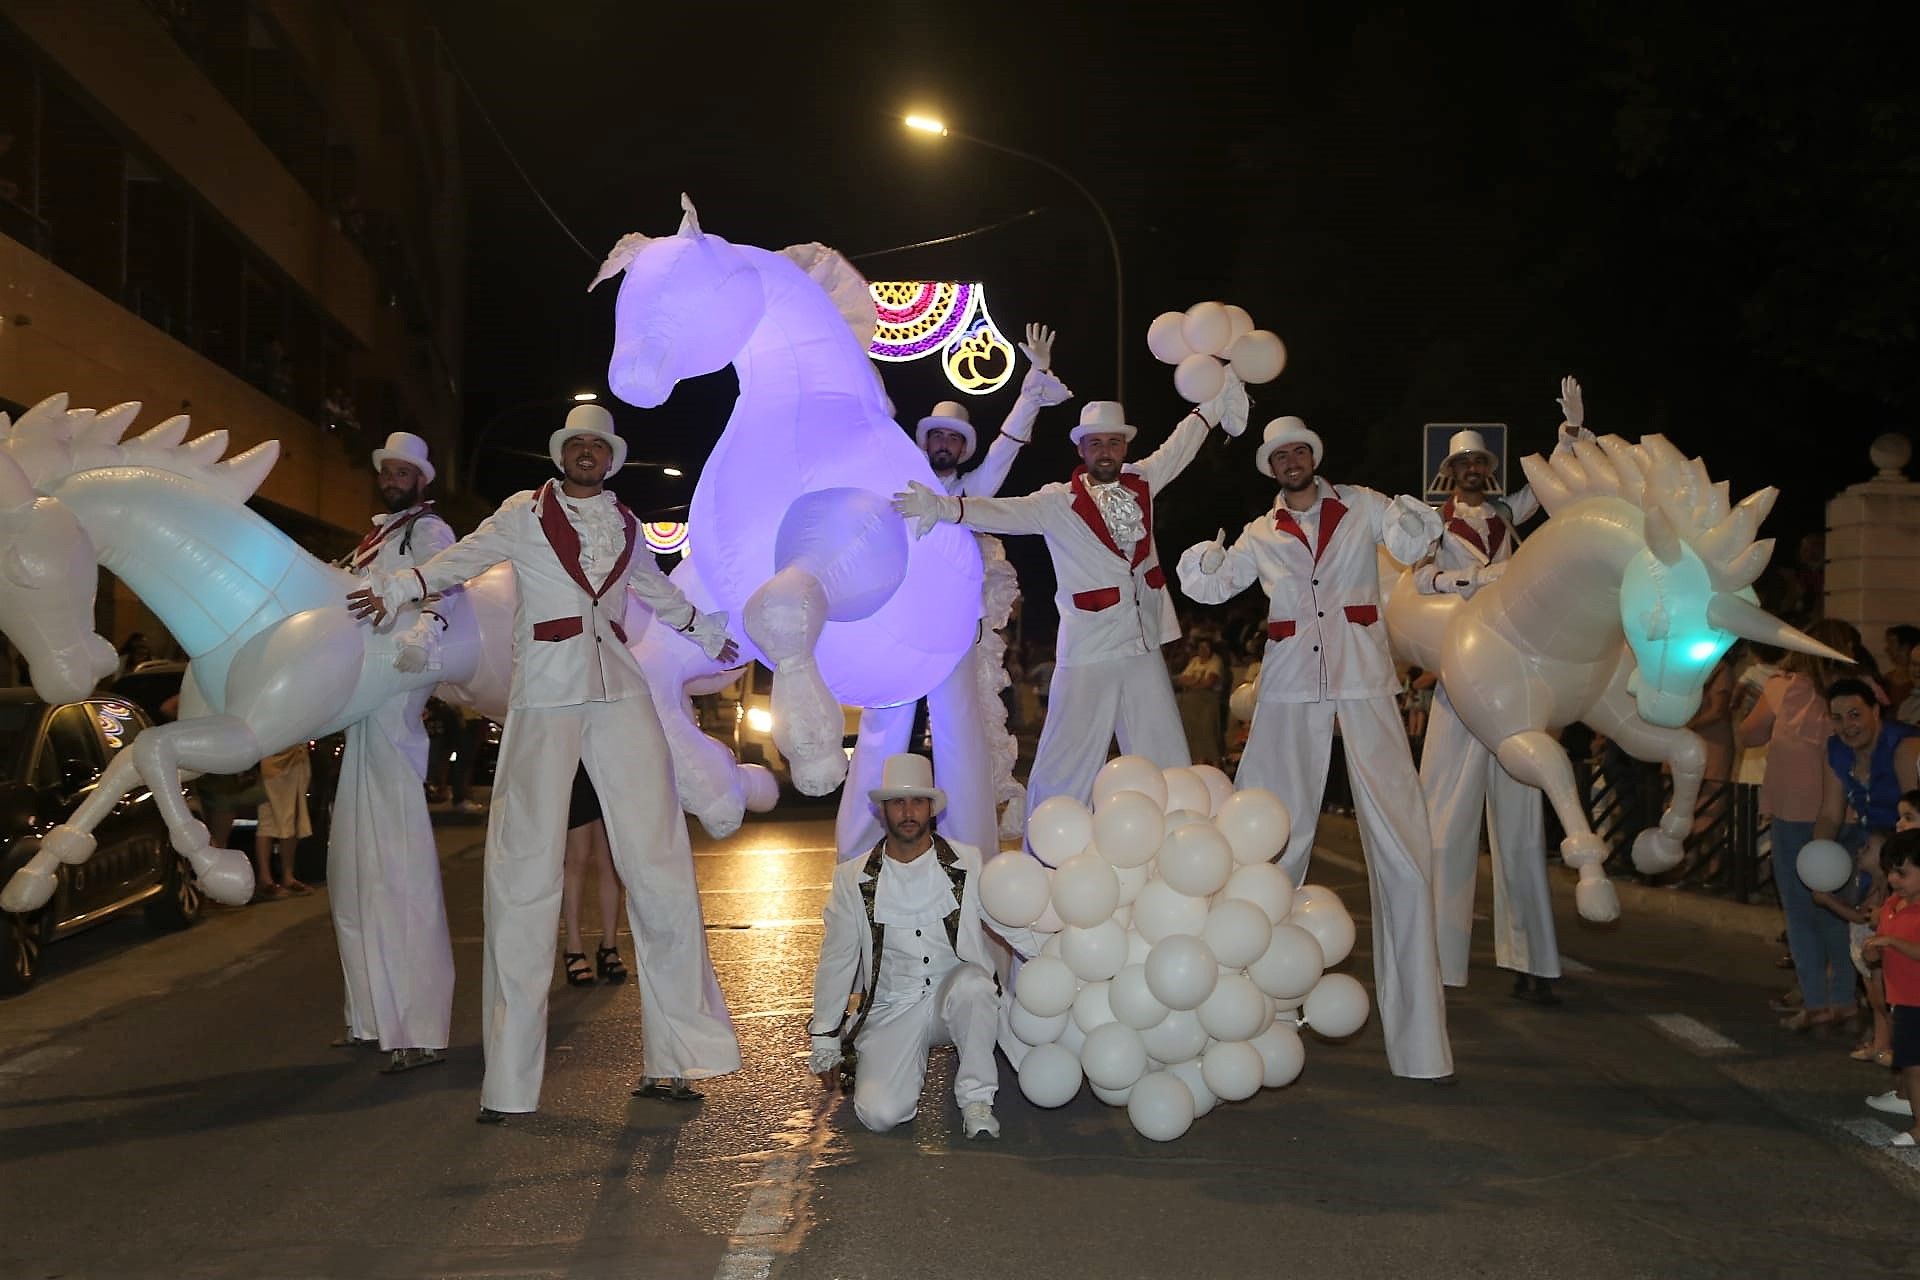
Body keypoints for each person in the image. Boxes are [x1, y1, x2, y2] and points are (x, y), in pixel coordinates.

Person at [348, 403, 741, 1122]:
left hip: (618, 690)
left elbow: (655, 593)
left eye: (599, 445)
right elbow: (460, 559)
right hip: (545, 697)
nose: (587, 453)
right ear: (563, 454)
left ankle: (676, 1057)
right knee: (523, 873)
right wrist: (400, 587)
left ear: (612, 458)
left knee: (658, 864)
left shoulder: (626, 526)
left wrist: (707, 632)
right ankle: (509, 1082)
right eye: (577, 444)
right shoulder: (523, 513)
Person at [1177, 415, 1452, 1080]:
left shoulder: (1361, 504)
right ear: (1271, 468)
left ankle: (1421, 1045)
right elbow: (1212, 586)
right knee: (1270, 839)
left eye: (1300, 450)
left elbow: (1413, 541)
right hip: (1292, 684)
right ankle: (1251, 1014)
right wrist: (1205, 562)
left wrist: (1420, 518)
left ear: (1313, 457)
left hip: (1362, 679)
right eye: (1280, 455)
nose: (1291, 461)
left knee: (1402, 842)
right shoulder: (1261, 530)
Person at [893, 375, 1250, 841]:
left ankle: (1179, 848)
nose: (1106, 451)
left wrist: (1216, 402)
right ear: (1082, 451)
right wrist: (943, 509)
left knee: (1164, 750)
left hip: (1142, 641)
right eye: (1096, 443)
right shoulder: (1056, 502)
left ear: (1124, 447)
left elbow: (1180, 446)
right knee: (1067, 756)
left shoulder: (1143, 481)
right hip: (1089, 647)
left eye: (1114, 442)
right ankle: (1043, 848)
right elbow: (1001, 511)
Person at [838, 324, 1070, 858]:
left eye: (954, 439)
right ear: (923, 444)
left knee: (960, 742)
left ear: (963, 449)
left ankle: (972, 860)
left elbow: (1006, 451)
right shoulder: (894, 486)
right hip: (897, 634)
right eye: (936, 437)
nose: (944, 445)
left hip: (952, 637)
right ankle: (856, 860)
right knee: (880, 737)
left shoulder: (972, 494)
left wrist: (1031, 388)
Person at [1408, 380, 1591, 1003]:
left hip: (1509, 686)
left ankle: (1534, 963)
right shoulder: (1431, 524)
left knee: (1518, 825)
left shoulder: (1507, 515)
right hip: (1460, 685)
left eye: (1481, 465)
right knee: (1444, 823)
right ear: (1449, 472)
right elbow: (1420, 583)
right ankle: (1433, 957)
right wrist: (1474, 577)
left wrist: (1566, 438)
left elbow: (1545, 493)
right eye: (1464, 466)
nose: (1473, 473)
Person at [809, 754, 1047, 1139]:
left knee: (975, 984)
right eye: (898, 802)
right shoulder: (851, 879)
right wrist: (825, 1037)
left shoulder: (967, 863)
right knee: (880, 1114)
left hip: (954, 996)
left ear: (931, 810)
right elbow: (837, 959)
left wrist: (1051, 951)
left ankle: (976, 1100)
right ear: (883, 810)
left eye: (917, 802)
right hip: (892, 1006)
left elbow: (1006, 920)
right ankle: (900, 1076)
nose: (908, 812)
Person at [327, 431, 460, 1073]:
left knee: (397, 859)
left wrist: (422, 632)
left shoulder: (429, 532)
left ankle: (418, 1025)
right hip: (362, 690)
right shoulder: (375, 536)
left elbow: (446, 586)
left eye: (406, 470)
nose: (395, 477)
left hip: (395, 678)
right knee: (352, 861)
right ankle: (369, 1016)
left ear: (422, 478)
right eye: (388, 469)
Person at [1808, 677, 1920, 1036]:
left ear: (1876, 710)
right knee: (1871, 936)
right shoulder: (1836, 750)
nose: (1847, 726)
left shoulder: (1905, 746)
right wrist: (1817, 863)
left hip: (1907, 854)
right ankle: (1884, 1025)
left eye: (1855, 714)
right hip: (1876, 850)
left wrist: (1898, 873)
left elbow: (1916, 815)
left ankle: (1897, 1030)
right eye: (1837, 718)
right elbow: (1829, 814)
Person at [1862, 828, 1920, 1142]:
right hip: (1904, 1000)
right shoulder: (1891, 906)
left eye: (1903, 873)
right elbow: (1878, 956)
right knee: (1911, 1065)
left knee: (1915, 1065)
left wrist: (1891, 942)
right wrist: (1873, 952)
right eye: (1891, 873)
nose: (1894, 880)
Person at [560, 764, 627, 987]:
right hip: (576, 764)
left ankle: (609, 945)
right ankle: (574, 948)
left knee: (611, 860)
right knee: (577, 857)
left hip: (608, 764)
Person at [253, 742, 312, 897]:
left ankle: (288, 876)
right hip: (271, 757)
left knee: (293, 815)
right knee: (267, 816)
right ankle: (265, 878)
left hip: (297, 757)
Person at [1174, 634, 1227, 765]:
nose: (1203, 650)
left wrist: (1193, 681)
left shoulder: (1216, 661)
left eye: (1206, 648)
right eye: (1200, 648)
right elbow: (1182, 679)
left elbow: (1209, 682)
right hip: (1190, 701)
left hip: (1208, 701)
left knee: (1207, 732)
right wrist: (1198, 680)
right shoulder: (1194, 661)